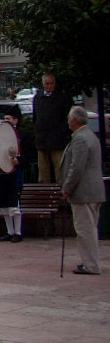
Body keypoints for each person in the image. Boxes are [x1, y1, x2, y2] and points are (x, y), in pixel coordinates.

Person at [61, 106, 105, 275]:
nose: (67, 121)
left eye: (68, 118)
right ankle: (89, 261)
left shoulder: (80, 138)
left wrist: (67, 187)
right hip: (93, 190)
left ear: (74, 120)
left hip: (84, 192)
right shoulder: (90, 136)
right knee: (90, 229)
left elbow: (77, 167)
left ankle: (91, 265)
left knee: (85, 230)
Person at [0, 104, 33, 243]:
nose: (5, 121)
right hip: (2, 173)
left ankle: (18, 232)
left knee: (14, 204)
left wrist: (19, 161)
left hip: (15, 174)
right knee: (4, 204)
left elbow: (30, 155)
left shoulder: (24, 135)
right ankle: (9, 231)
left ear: (16, 120)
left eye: (9, 118)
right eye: (4, 118)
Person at [33, 73, 73, 184]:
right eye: (47, 83)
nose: (50, 86)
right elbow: (35, 117)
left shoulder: (62, 98)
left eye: (52, 83)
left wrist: (63, 132)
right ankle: (44, 193)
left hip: (58, 139)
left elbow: (67, 118)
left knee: (60, 169)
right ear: (43, 84)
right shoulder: (38, 98)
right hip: (42, 139)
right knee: (43, 171)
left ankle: (61, 193)